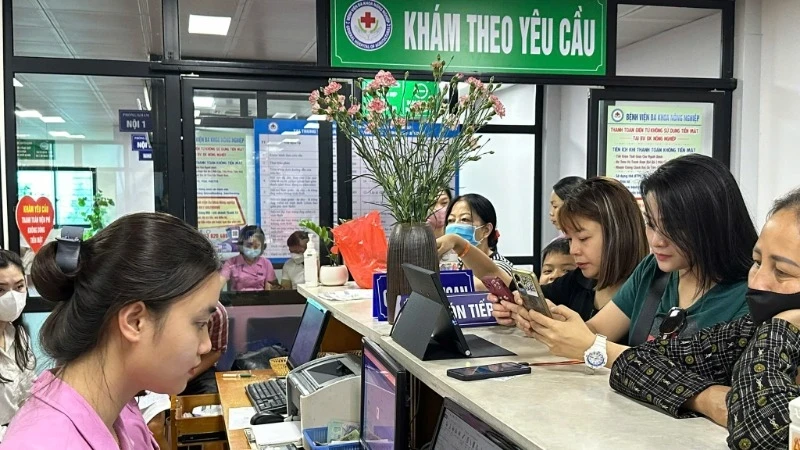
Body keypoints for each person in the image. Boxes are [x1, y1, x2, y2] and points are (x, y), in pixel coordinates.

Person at [509, 155, 757, 370]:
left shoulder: (748, 298)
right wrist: (549, 324)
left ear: (711, 224)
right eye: (651, 224)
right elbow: (595, 331)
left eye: (673, 227)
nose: (657, 240)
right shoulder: (653, 271)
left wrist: (592, 348)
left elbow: (701, 386)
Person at [1, 212, 223, 448]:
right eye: (199, 324)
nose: (206, 345)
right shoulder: (47, 442)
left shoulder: (121, 409)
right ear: (135, 321)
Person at [610, 188, 800, 450]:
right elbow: (633, 362)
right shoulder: (750, 330)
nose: (757, 282)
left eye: (781, 271)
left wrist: (781, 330)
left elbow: (761, 436)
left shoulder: (776, 331)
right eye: (757, 262)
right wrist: (706, 397)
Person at [483, 177, 648, 320]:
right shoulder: (578, 280)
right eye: (569, 239)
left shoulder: (647, 289)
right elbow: (523, 294)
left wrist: (556, 325)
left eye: (583, 238)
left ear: (618, 233)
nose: (573, 250)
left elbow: (591, 338)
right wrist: (515, 310)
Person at [435, 193, 513, 289]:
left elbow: (481, 286)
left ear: (486, 230)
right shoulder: (456, 262)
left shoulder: (501, 265)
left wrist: (457, 242)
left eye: (464, 219)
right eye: (451, 220)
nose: (455, 226)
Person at [0, 250, 35, 436]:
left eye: (19, 287)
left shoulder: (19, 336)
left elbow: (28, 393)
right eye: (1, 290)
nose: (12, 297)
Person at [219, 225, 277, 291]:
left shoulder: (266, 263)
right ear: (241, 244)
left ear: (262, 247)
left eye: (256, 246)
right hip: (237, 300)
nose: (252, 249)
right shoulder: (231, 262)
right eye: (248, 245)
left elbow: (269, 291)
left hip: (261, 300)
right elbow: (219, 284)